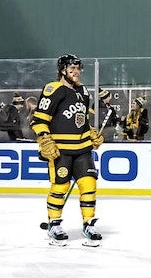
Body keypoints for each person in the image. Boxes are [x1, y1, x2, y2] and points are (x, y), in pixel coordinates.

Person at [31, 54, 105, 246]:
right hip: (60, 151)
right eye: (72, 69)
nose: (76, 72)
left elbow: (81, 119)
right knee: (60, 187)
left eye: (78, 68)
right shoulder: (53, 89)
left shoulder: (83, 90)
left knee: (89, 186)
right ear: (62, 70)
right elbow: (39, 120)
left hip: (82, 149)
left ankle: (89, 223)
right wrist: (45, 140)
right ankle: (54, 224)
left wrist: (91, 133)